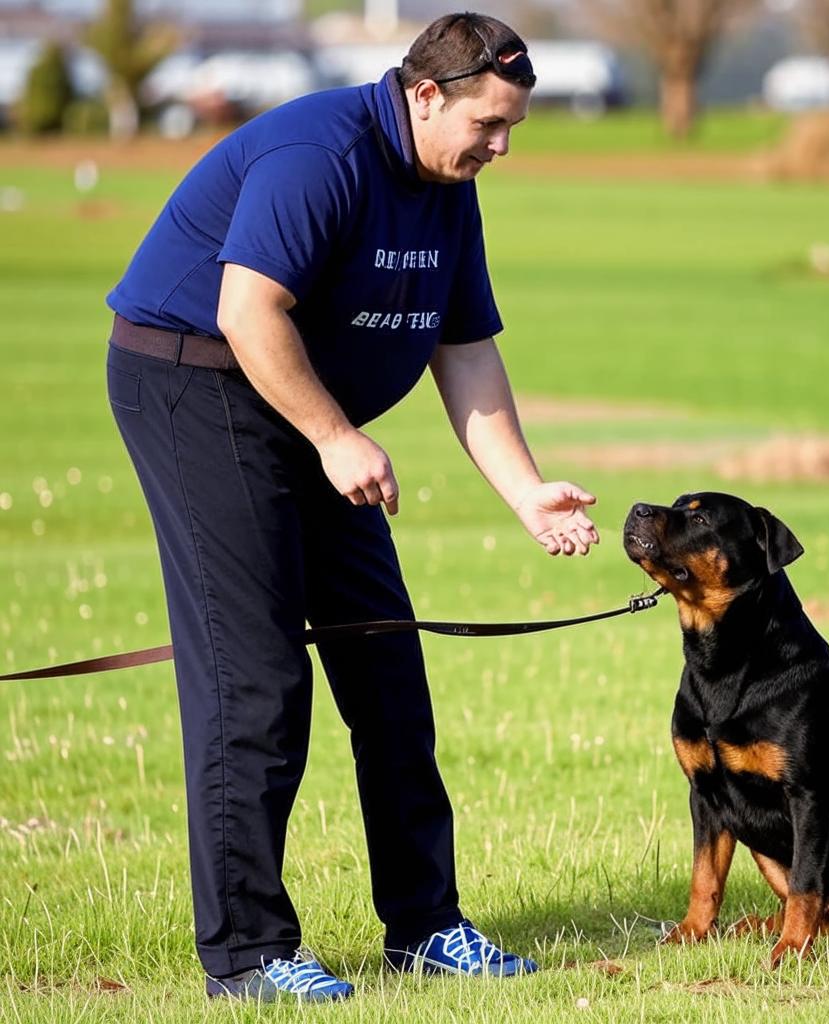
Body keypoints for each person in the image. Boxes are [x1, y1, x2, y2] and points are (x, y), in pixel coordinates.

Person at [105, 11, 599, 1003]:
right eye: (489, 124)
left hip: (308, 406)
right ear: (426, 94)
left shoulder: (447, 190)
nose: (500, 146)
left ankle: (424, 926)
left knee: (384, 664)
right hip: (196, 386)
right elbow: (248, 310)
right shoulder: (318, 154)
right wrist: (336, 437)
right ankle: (246, 951)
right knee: (258, 680)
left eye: (512, 128)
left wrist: (524, 491)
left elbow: (465, 349)